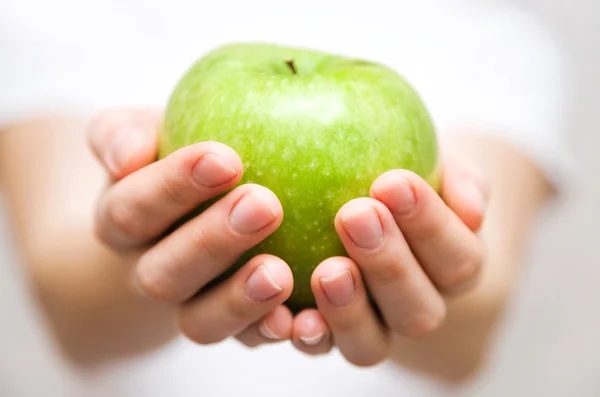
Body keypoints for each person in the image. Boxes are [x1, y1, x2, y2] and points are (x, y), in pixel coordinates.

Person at [0, 0, 573, 396]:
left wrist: (447, 281)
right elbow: (72, 319)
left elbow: (467, 340)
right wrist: (135, 250)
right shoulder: (59, 19)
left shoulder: (491, 40)